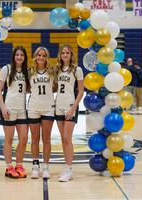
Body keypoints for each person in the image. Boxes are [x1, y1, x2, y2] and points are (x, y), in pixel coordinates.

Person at [0, 46, 30, 178]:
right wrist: (3, 107)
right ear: (14, 56)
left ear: (24, 57)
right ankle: (9, 167)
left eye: (22, 55)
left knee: (23, 138)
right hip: (9, 109)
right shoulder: (6, 69)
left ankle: (19, 165)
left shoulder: (27, 71)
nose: (19, 57)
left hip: (22, 110)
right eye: (17, 55)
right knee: (9, 139)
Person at [55, 45, 84, 182]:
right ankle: (67, 167)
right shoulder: (57, 69)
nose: (65, 55)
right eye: (63, 53)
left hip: (70, 106)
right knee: (63, 138)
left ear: (71, 54)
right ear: (60, 55)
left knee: (67, 138)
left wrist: (73, 107)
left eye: (67, 52)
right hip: (58, 107)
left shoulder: (77, 70)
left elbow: (81, 91)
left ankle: (68, 168)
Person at [28, 47, 55, 179]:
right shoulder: (30, 72)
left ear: (47, 58)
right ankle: (35, 166)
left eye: (44, 55)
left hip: (48, 108)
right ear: (35, 57)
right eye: (39, 55)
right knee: (34, 138)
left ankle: (45, 166)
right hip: (33, 107)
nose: (41, 58)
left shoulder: (52, 71)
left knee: (46, 139)